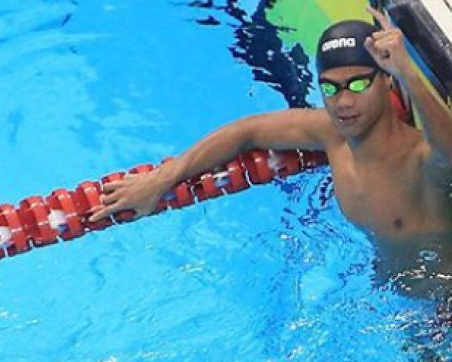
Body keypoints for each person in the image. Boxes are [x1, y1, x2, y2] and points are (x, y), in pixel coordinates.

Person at [90, 7, 452, 307]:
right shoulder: (332, 134)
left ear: (386, 81)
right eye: (330, 88)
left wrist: (407, 70)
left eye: (358, 84)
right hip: (394, 301)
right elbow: (246, 131)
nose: (343, 101)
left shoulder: (419, 160)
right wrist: (160, 180)